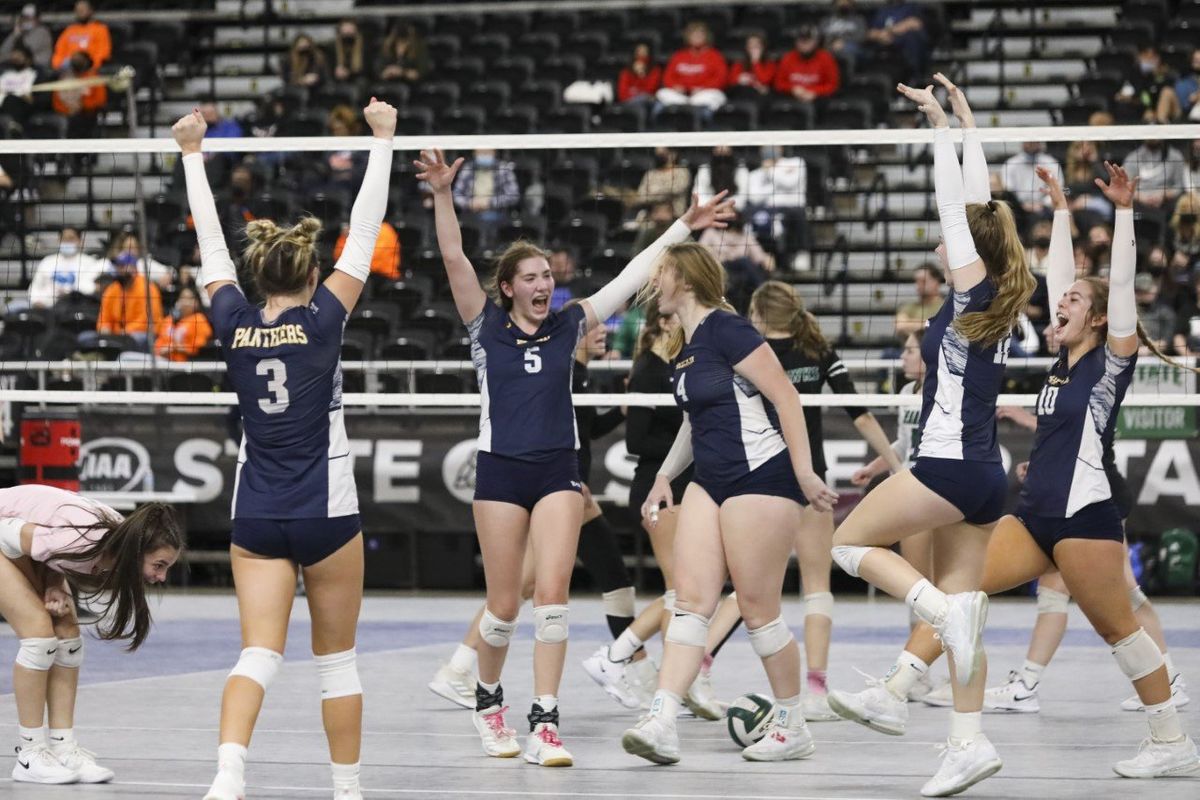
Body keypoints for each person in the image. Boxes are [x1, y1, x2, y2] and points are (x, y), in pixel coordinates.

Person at [415, 146, 732, 768]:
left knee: (554, 599)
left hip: (558, 470)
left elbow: (632, 273)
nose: (543, 285)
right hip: (500, 470)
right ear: (507, 288)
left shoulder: (568, 324)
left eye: (547, 277)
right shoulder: (485, 326)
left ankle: (546, 722)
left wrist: (682, 228)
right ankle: (488, 703)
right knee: (504, 606)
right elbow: (453, 256)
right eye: (530, 278)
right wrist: (444, 195)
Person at [898, 161, 1200, 780]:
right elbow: (1063, 280)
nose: (1060, 304)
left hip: (1085, 517)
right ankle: (899, 686)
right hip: (1036, 514)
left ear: (1098, 321)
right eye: (1061, 300)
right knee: (963, 594)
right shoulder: (1061, 364)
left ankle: (1171, 738)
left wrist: (1121, 214)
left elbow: (1115, 287)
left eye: (1074, 303)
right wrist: (1060, 209)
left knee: (1120, 632)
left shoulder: (1111, 362)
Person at [175, 96, 396, 800]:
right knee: (338, 664)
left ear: (257, 276)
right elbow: (364, 233)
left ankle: (228, 775)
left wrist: (190, 155)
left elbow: (210, 248)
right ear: (308, 277)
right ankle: (347, 791)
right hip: (325, 512)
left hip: (259, 513)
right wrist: (382, 141)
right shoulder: (325, 319)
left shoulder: (234, 322)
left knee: (258, 654)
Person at [827, 74, 1035, 797]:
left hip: (947, 464)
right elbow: (973, 205)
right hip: (985, 474)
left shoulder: (974, 288)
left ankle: (939, 617)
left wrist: (934, 127)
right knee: (967, 612)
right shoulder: (999, 289)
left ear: (962, 251)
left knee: (846, 544)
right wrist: (959, 120)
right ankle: (968, 743)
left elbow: (956, 204)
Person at [619, 241, 838, 766]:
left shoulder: (728, 328)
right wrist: (664, 477)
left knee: (759, 610)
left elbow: (785, 395)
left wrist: (805, 473)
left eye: (663, 272)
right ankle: (664, 719)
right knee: (691, 601)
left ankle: (791, 721)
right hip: (710, 480)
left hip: (761, 475)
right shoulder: (687, 344)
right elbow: (695, 421)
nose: (655, 282)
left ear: (687, 281)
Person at [745, 281, 903, 721]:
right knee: (818, 586)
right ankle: (815, 687)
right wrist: (893, 462)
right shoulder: (817, 351)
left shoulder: (749, 352)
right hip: (809, 478)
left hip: (760, 478)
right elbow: (862, 414)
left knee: (749, 588)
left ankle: (697, 671)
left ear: (758, 314)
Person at [0, 485, 182, 784]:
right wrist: (40, 586)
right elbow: (8, 533)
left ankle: (63, 747)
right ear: (138, 551)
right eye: (159, 565)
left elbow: (52, 550)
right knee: (39, 637)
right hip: (4, 533)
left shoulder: (114, 541)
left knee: (68, 638)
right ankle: (29, 755)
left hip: (20, 540)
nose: (161, 577)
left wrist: (52, 583)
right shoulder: (88, 538)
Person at [746, 146, 809, 267]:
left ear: (780, 148)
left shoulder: (796, 162)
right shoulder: (756, 173)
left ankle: (801, 253)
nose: (770, 149)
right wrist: (774, 186)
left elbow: (790, 183)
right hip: (770, 210)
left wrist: (771, 171)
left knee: (797, 215)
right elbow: (754, 197)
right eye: (766, 147)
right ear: (760, 151)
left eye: (773, 146)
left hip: (794, 208)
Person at [655, 22, 728, 114]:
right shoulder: (679, 55)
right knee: (662, 93)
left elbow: (721, 78)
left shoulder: (715, 56)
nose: (696, 36)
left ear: (706, 36)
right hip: (681, 95)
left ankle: (700, 120)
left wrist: (703, 88)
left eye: (700, 34)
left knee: (714, 96)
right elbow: (668, 76)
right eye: (693, 34)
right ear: (688, 37)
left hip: (703, 94)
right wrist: (675, 86)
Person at [27, 227, 109, 308]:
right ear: (58, 240)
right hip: (47, 308)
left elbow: (94, 288)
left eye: (71, 238)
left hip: (78, 307)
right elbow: (34, 288)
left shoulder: (91, 263)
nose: (67, 242)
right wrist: (36, 302)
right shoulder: (47, 261)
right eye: (64, 239)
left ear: (80, 241)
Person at [96, 253, 163, 343]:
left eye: (122, 266)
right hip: (117, 334)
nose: (118, 270)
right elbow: (104, 317)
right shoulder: (112, 289)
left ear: (134, 269)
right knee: (86, 338)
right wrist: (104, 328)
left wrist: (123, 332)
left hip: (144, 334)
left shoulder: (147, 288)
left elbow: (146, 321)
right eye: (117, 267)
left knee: (131, 340)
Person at [451, 148, 520, 235]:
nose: (484, 155)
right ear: (474, 153)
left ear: (494, 152)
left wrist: (490, 202)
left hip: (498, 214)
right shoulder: (468, 168)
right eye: (481, 152)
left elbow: (513, 195)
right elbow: (456, 194)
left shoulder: (504, 169)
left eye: (487, 152)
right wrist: (469, 203)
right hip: (470, 214)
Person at [772, 27, 841, 105]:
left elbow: (833, 85)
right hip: (791, 97)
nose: (804, 45)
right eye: (801, 41)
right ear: (796, 42)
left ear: (815, 42)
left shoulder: (826, 59)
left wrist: (814, 92)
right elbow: (778, 83)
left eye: (808, 41)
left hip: (818, 99)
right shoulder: (788, 58)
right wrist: (792, 89)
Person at [1115, 43, 1180, 124]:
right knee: (1148, 115)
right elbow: (1143, 97)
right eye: (1146, 57)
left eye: (1152, 57)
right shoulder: (1134, 74)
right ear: (1139, 57)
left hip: (1171, 110)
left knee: (1167, 92)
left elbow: (1172, 94)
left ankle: (1161, 123)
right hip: (1144, 111)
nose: (1149, 60)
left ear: (1158, 58)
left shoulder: (1169, 74)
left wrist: (1159, 76)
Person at [866, 1, 928, 84]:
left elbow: (916, 23)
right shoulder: (882, 10)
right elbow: (870, 32)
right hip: (882, 44)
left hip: (904, 43)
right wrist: (880, 35)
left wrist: (891, 31)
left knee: (913, 38)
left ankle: (914, 79)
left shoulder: (911, 7)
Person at [1001, 142, 1060, 223]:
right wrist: (1021, 205)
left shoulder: (1052, 163)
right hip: (1017, 209)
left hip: (1044, 209)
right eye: (1028, 141)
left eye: (1034, 141)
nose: (1031, 143)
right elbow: (1008, 189)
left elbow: (1058, 188)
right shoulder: (1010, 164)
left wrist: (1043, 204)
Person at [154, 286, 213, 362]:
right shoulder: (168, 320)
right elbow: (159, 343)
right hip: (161, 361)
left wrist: (174, 349)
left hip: (186, 364)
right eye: (182, 298)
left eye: (189, 299)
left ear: (197, 303)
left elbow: (198, 348)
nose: (185, 302)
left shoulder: (199, 320)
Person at [51, 2, 110, 75]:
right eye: (78, 10)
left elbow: (103, 54)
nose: (80, 12)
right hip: (69, 73)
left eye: (83, 9)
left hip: (91, 73)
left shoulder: (100, 29)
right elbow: (58, 53)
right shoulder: (69, 30)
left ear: (90, 11)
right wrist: (58, 66)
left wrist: (92, 67)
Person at [332, 220, 400, 281]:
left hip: (383, 276)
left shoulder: (385, 230)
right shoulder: (352, 231)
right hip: (357, 275)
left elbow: (373, 259)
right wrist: (345, 238)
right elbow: (338, 258)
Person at [634, 147, 692, 218]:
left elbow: (677, 189)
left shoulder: (682, 171)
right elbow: (641, 196)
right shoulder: (651, 173)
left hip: (676, 217)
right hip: (651, 217)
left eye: (662, 154)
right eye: (657, 154)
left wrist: (654, 191)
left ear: (673, 154)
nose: (659, 157)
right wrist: (665, 194)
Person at [894, 262, 946, 336]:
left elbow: (943, 327)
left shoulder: (946, 306)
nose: (918, 285)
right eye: (917, 281)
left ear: (936, 282)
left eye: (923, 281)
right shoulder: (908, 307)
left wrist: (912, 324)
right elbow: (900, 326)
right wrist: (931, 324)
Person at [726, 33, 775, 105]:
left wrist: (756, 62)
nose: (753, 48)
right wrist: (740, 80)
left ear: (763, 47)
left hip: (760, 97)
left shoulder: (770, 64)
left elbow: (765, 81)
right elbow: (731, 82)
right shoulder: (739, 63)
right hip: (742, 93)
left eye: (756, 45)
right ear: (746, 48)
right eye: (750, 45)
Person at [1, 5, 53, 69]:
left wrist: (17, 37)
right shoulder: (19, 31)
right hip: (19, 68)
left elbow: (27, 51)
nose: (26, 20)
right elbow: (3, 51)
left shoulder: (43, 31)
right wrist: (14, 35)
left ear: (37, 19)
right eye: (24, 17)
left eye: (30, 17)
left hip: (39, 67)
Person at [821, 0, 868, 71]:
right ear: (835, 3)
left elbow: (861, 36)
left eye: (847, 1)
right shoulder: (826, 20)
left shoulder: (859, 19)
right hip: (829, 47)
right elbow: (821, 36)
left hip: (851, 48)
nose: (843, 3)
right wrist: (833, 43)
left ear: (852, 4)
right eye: (840, 1)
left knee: (848, 54)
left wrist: (844, 43)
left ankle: (848, 81)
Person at [617, 43, 661, 111]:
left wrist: (641, 75)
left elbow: (650, 91)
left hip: (649, 101)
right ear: (635, 54)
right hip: (630, 102)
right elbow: (622, 94)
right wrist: (638, 94)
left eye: (644, 52)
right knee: (640, 106)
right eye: (639, 52)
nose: (641, 55)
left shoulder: (655, 71)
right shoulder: (626, 72)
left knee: (659, 106)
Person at [332, 18, 369, 85]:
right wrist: (336, 71)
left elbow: (368, 70)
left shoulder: (365, 47)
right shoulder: (332, 48)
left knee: (361, 82)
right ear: (340, 32)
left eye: (350, 30)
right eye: (345, 31)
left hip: (358, 79)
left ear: (356, 31)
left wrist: (349, 73)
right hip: (337, 79)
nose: (348, 32)